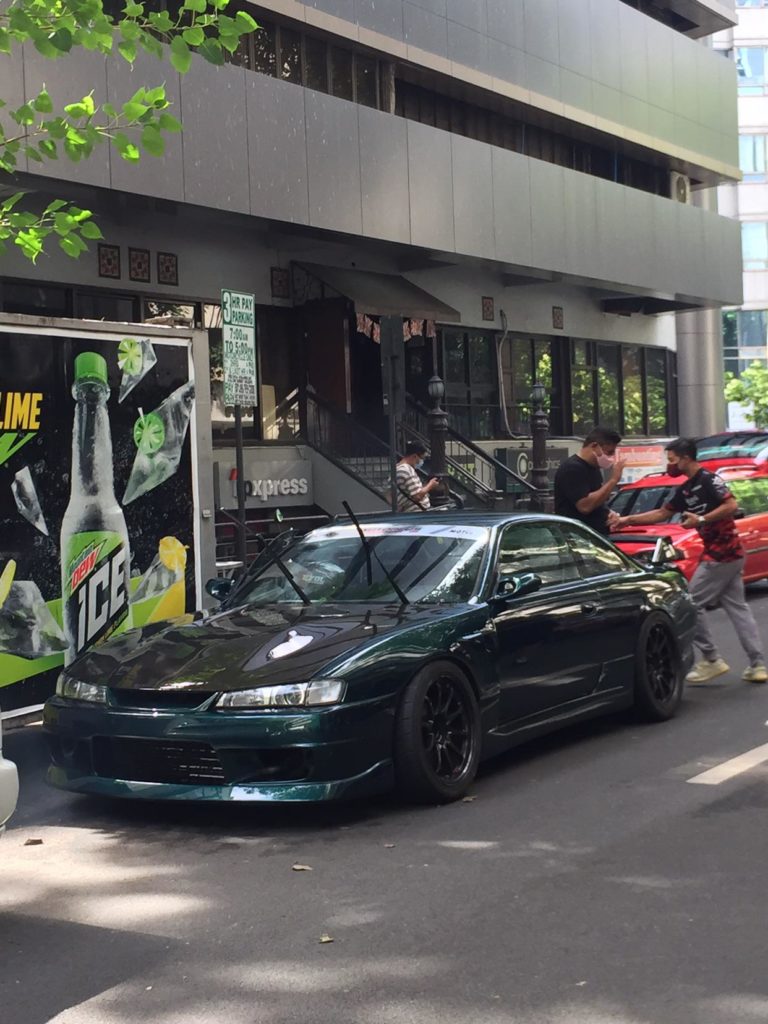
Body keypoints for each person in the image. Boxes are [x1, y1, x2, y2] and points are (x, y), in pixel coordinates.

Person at [615, 437, 767, 684]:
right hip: (729, 556)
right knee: (738, 608)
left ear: (685, 458)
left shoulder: (709, 480)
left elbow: (731, 505)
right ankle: (757, 664)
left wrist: (702, 520)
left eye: (672, 459)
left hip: (721, 555)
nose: (669, 464)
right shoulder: (684, 490)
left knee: (689, 604)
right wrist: (626, 520)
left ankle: (711, 659)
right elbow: (662, 513)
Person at [554, 427, 625, 536]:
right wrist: (613, 480)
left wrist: (609, 513)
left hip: (596, 535)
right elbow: (585, 506)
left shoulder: (594, 468)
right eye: (609, 452)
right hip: (579, 537)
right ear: (594, 446)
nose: (611, 457)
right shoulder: (572, 469)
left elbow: (598, 500)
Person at [396, 442, 439, 512]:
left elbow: (389, 494)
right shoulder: (406, 471)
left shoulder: (398, 468)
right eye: (422, 458)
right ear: (415, 456)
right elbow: (417, 496)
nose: (422, 461)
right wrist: (430, 485)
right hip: (416, 512)